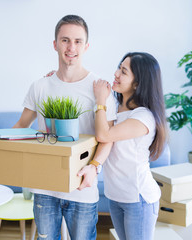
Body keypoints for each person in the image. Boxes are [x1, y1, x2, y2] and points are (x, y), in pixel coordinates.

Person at [13, 15, 116, 240]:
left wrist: (95, 167)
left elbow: (108, 138)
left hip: (82, 189)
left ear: (86, 46)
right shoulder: (40, 86)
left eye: (78, 41)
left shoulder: (99, 88)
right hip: (43, 188)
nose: (71, 47)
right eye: (65, 40)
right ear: (55, 44)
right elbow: (21, 125)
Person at [81, 52, 168, 240]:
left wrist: (101, 101)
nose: (116, 74)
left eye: (123, 71)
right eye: (119, 68)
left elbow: (104, 135)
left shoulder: (143, 116)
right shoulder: (117, 108)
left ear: (137, 83)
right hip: (116, 196)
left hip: (139, 199)